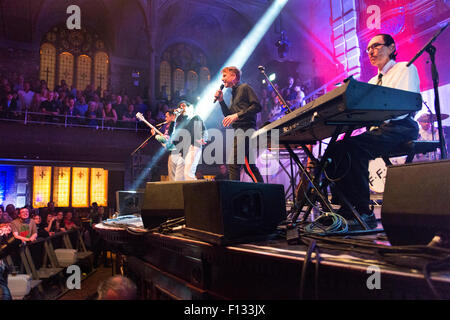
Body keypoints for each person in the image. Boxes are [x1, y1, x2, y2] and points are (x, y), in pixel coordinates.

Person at [325, 34, 420, 230]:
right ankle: (346, 207)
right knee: (336, 148)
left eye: (376, 46)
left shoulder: (405, 68)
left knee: (353, 148)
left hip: (401, 126)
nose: (371, 52)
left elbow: (403, 104)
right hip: (380, 128)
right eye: (368, 49)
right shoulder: (371, 80)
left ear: (392, 47)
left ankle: (363, 211)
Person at [215, 66, 264, 183]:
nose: (222, 79)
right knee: (249, 167)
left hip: (246, 129)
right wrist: (221, 101)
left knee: (233, 165)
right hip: (240, 130)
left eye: (225, 76)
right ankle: (265, 194)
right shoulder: (234, 94)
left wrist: (237, 115)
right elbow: (229, 115)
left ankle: (234, 197)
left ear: (233, 76)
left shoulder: (244, 88)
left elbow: (257, 106)